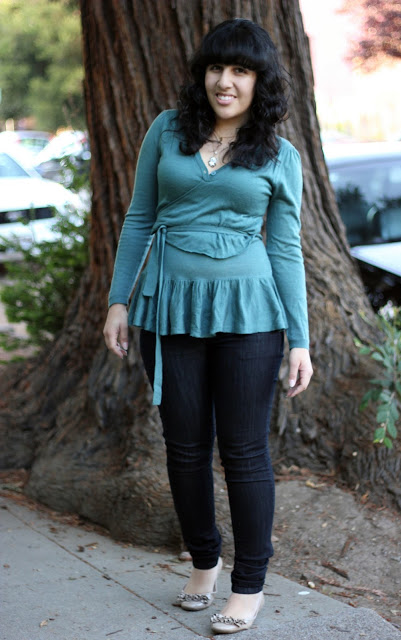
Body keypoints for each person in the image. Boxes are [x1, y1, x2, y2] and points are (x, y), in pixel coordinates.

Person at [103, 18, 313, 635]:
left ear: (259, 81)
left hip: (250, 315)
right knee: (184, 447)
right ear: (203, 73)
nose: (226, 81)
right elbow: (139, 218)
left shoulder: (278, 154)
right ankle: (203, 563)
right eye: (217, 67)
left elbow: (287, 250)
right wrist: (120, 301)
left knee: (244, 451)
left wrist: (299, 339)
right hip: (168, 308)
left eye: (241, 70)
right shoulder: (167, 131)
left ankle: (249, 584)